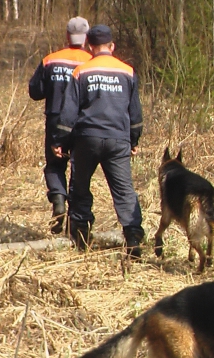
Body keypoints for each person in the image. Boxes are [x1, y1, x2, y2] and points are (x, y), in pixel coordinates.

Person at [57, 24, 145, 258]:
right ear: (112, 46)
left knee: (80, 187)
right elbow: (135, 113)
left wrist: (61, 141)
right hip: (118, 139)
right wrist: (133, 139)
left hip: (86, 139)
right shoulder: (127, 71)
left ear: (89, 47)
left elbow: (68, 113)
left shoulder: (81, 72)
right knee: (124, 191)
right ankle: (133, 236)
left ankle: (81, 235)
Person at [28, 16, 93, 234]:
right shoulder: (92, 61)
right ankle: (76, 222)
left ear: (67, 36)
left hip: (55, 119)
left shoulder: (50, 60)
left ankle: (58, 197)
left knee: (55, 165)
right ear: (86, 38)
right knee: (79, 167)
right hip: (82, 122)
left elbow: (35, 92)